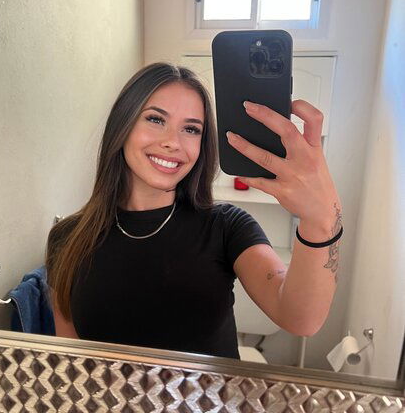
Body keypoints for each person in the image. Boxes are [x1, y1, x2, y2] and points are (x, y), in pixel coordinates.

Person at [46, 62, 342, 359]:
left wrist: (320, 218)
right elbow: (71, 357)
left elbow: (300, 318)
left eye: (191, 129)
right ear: (122, 126)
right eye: (155, 119)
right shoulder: (67, 237)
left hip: (212, 392)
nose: (173, 143)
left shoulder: (226, 226)